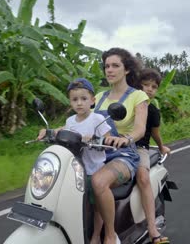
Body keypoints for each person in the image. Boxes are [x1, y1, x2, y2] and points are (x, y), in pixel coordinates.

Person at [37, 78, 112, 239]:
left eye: (84, 99)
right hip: (74, 169)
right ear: (70, 102)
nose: (79, 103)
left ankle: (96, 235)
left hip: (94, 169)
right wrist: (48, 131)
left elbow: (108, 138)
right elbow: (64, 130)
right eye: (75, 99)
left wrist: (95, 138)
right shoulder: (70, 121)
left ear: (92, 101)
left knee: (95, 204)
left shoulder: (97, 119)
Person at [90, 47, 149, 244]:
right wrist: (54, 130)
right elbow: (79, 119)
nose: (110, 70)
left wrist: (127, 138)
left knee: (98, 182)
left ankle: (109, 235)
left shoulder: (138, 96)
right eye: (107, 66)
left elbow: (140, 129)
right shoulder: (98, 97)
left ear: (127, 70)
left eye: (115, 65)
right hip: (96, 153)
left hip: (123, 155)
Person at [135, 68, 171, 244]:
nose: (149, 89)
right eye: (145, 85)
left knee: (143, 178)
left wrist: (161, 146)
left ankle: (151, 228)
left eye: (153, 87)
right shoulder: (128, 104)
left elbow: (155, 134)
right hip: (119, 146)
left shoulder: (153, 111)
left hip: (140, 148)